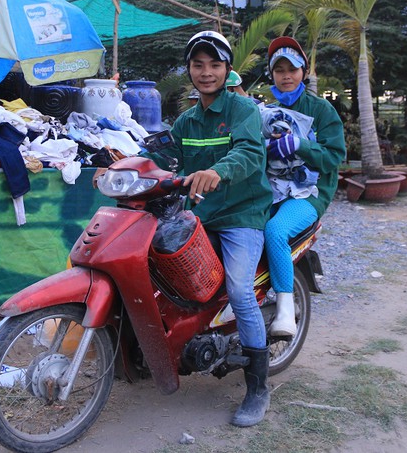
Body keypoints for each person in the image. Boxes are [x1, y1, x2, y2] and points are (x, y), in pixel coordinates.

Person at [148, 30, 273, 427]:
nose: (206, 73)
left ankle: (258, 387)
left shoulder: (242, 110)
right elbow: (170, 160)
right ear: (189, 70)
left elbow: (250, 153)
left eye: (214, 65)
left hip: (242, 215)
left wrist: (217, 172)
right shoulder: (185, 120)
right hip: (201, 215)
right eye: (198, 65)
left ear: (227, 69)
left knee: (238, 288)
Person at [263, 36, 346, 336]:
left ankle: (286, 310)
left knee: (275, 231)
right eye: (279, 69)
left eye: (293, 69)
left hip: (309, 194)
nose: (286, 75)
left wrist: (300, 145)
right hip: (271, 189)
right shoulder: (266, 112)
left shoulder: (322, 111)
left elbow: (335, 156)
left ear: (303, 72)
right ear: (271, 74)